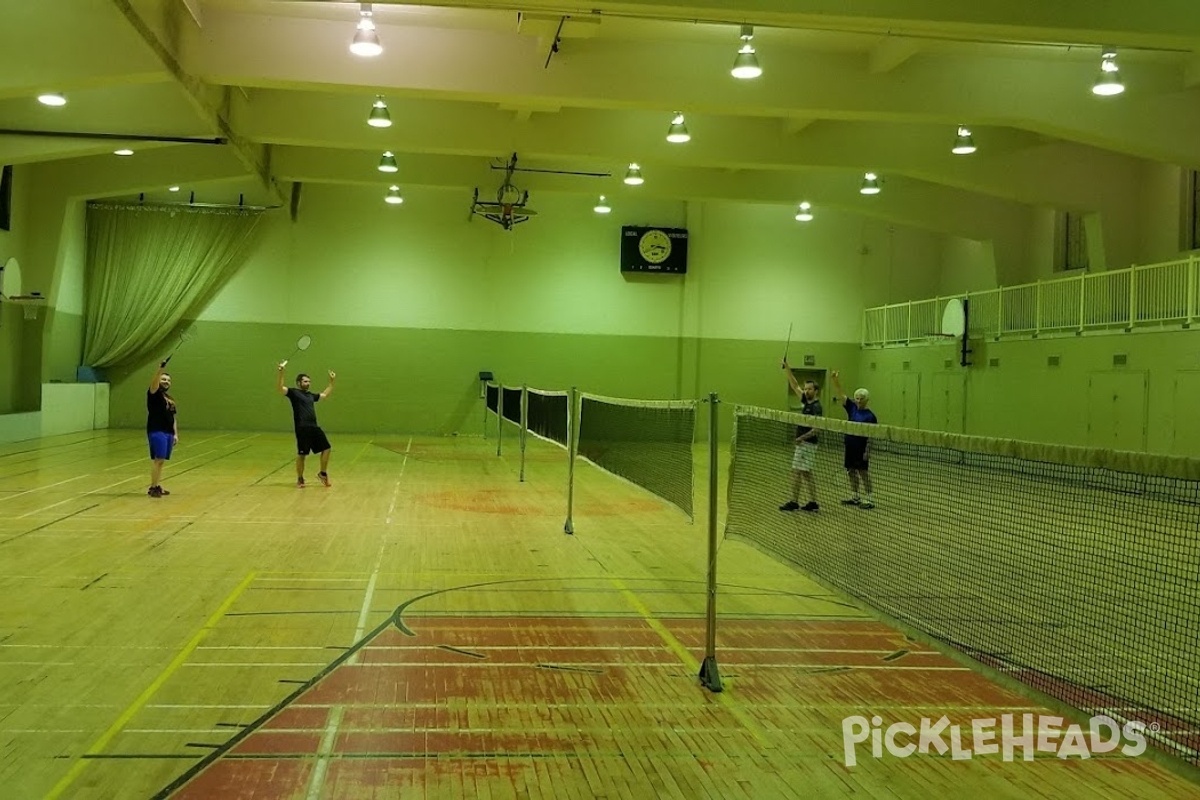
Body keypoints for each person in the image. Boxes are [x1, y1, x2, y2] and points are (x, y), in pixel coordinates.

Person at [277, 363, 336, 488]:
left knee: (327, 448)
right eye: (305, 381)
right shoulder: (294, 393)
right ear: (299, 383)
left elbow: (324, 395)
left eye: (309, 381)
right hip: (302, 428)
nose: (308, 383)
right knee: (302, 454)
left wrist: (331, 382)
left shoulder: (310, 395)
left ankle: (323, 473)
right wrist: (281, 372)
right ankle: (300, 479)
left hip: (314, 427)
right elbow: (280, 388)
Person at [779, 360, 821, 512]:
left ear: (816, 391)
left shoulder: (816, 407)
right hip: (804, 444)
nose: (806, 391)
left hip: (808, 444)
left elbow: (817, 429)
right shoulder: (806, 401)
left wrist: (801, 438)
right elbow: (794, 385)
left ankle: (796, 502)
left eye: (809, 389)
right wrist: (787, 368)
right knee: (804, 473)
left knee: (799, 472)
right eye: (806, 389)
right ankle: (812, 502)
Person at [831, 370, 877, 509]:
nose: (858, 400)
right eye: (856, 398)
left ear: (867, 399)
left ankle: (869, 499)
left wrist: (867, 451)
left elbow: (872, 436)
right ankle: (855, 497)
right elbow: (841, 394)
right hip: (849, 446)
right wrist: (835, 380)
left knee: (863, 473)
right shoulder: (852, 409)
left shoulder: (871, 416)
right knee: (850, 471)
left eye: (861, 398)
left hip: (861, 448)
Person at [146, 359, 178, 498]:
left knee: (162, 461)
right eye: (164, 379)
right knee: (158, 459)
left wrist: (175, 434)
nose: (166, 382)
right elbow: (154, 383)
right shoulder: (154, 394)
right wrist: (160, 369)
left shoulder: (169, 398)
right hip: (157, 430)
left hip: (168, 432)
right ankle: (153, 488)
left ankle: (157, 485)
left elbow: (173, 417)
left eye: (168, 380)